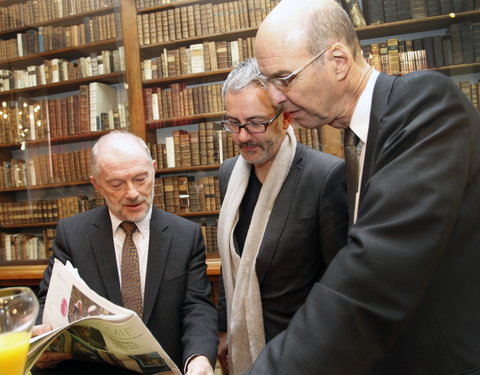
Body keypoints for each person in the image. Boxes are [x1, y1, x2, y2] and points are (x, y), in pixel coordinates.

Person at [248, 0, 480, 374]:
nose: (274, 97)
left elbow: (372, 276)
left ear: (338, 61)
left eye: (285, 79)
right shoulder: (355, 138)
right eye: (268, 82)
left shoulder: (424, 106)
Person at [35, 130, 218, 375]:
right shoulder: (72, 234)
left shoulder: (186, 235)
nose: (132, 193)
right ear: (96, 184)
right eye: (116, 184)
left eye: (141, 178)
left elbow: (197, 306)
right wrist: (40, 338)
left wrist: (198, 357)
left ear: (154, 170)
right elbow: (49, 302)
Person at [216, 58, 348, 374]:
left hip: (304, 354)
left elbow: (339, 285)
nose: (243, 136)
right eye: (233, 123)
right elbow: (230, 261)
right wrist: (222, 330)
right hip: (244, 353)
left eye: (256, 122)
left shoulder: (325, 176)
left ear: (285, 117)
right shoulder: (227, 174)